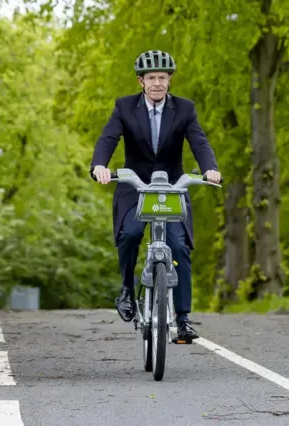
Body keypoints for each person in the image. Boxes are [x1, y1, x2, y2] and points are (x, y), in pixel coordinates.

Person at [90, 50, 221, 341]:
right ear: (141, 81)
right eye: (152, 78)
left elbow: (198, 140)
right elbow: (109, 137)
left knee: (178, 244)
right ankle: (126, 290)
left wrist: (210, 169)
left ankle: (183, 319)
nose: (157, 83)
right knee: (131, 234)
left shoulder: (185, 109)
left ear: (169, 80)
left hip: (171, 187)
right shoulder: (124, 108)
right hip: (135, 185)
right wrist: (100, 165)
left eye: (163, 77)